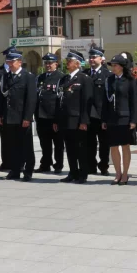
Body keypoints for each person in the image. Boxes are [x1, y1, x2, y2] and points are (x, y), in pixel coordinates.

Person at [58, 51, 93, 184]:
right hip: (66, 119)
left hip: (78, 120)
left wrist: (84, 121)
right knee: (70, 148)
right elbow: (60, 100)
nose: (67, 63)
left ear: (78, 63)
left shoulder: (84, 79)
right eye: (67, 61)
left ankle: (83, 174)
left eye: (70, 61)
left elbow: (86, 102)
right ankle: (73, 172)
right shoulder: (64, 79)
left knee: (81, 148)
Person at [103, 54, 137, 185]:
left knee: (125, 146)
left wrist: (134, 120)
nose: (113, 67)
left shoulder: (130, 80)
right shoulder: (109, 80)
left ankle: (125, 173)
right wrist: (104, 119)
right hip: (111, 117)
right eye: (112, 65)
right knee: (113, 146)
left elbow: (134, 101)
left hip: (125, 117)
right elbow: (105, 101)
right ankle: (117, 173)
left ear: (122, 67)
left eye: (115, 65)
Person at [3, 50, 37, 181]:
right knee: (13, 146)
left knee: (26, 146)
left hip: (22, 117)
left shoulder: (28, 77)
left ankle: (28, 171)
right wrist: (1, 115)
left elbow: (31, 99)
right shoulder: (7, 76)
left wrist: (27, 117)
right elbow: (3, 97)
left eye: (12, 62)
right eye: (8, 62)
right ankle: (15, 170)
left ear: (20, 62)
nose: (9, 64)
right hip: (10, 117)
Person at [35, 53, 64, 173]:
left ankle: (58, 165)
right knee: (44, 143)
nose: (48, 65)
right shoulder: (40, 77)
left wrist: (57, 118)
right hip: (41, 116)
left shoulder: (61, 77)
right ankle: (45, 164)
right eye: (46, 63)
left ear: (56, 64)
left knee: (58, 143)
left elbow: (61, 99)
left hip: (54, 116)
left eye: (50, 63)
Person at [87, 47, 110, 176]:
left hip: (101, 115)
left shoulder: (107, 75)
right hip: (88, 114)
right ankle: (91, 166)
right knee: (89, 142)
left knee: (104, 143)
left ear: (101, 59)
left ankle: (104, 166)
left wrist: (106, 117)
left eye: (94, 57)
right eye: (90, 57)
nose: (91, 59)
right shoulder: (85, 73)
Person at [0, 46, 15, 172]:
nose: (10, 60)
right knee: (5, 138)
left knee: (16, 139)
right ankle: (6, 163)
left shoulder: (21, 72)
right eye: (9, 58)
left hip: (16, 112)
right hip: (4, 111)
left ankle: (18, 163)